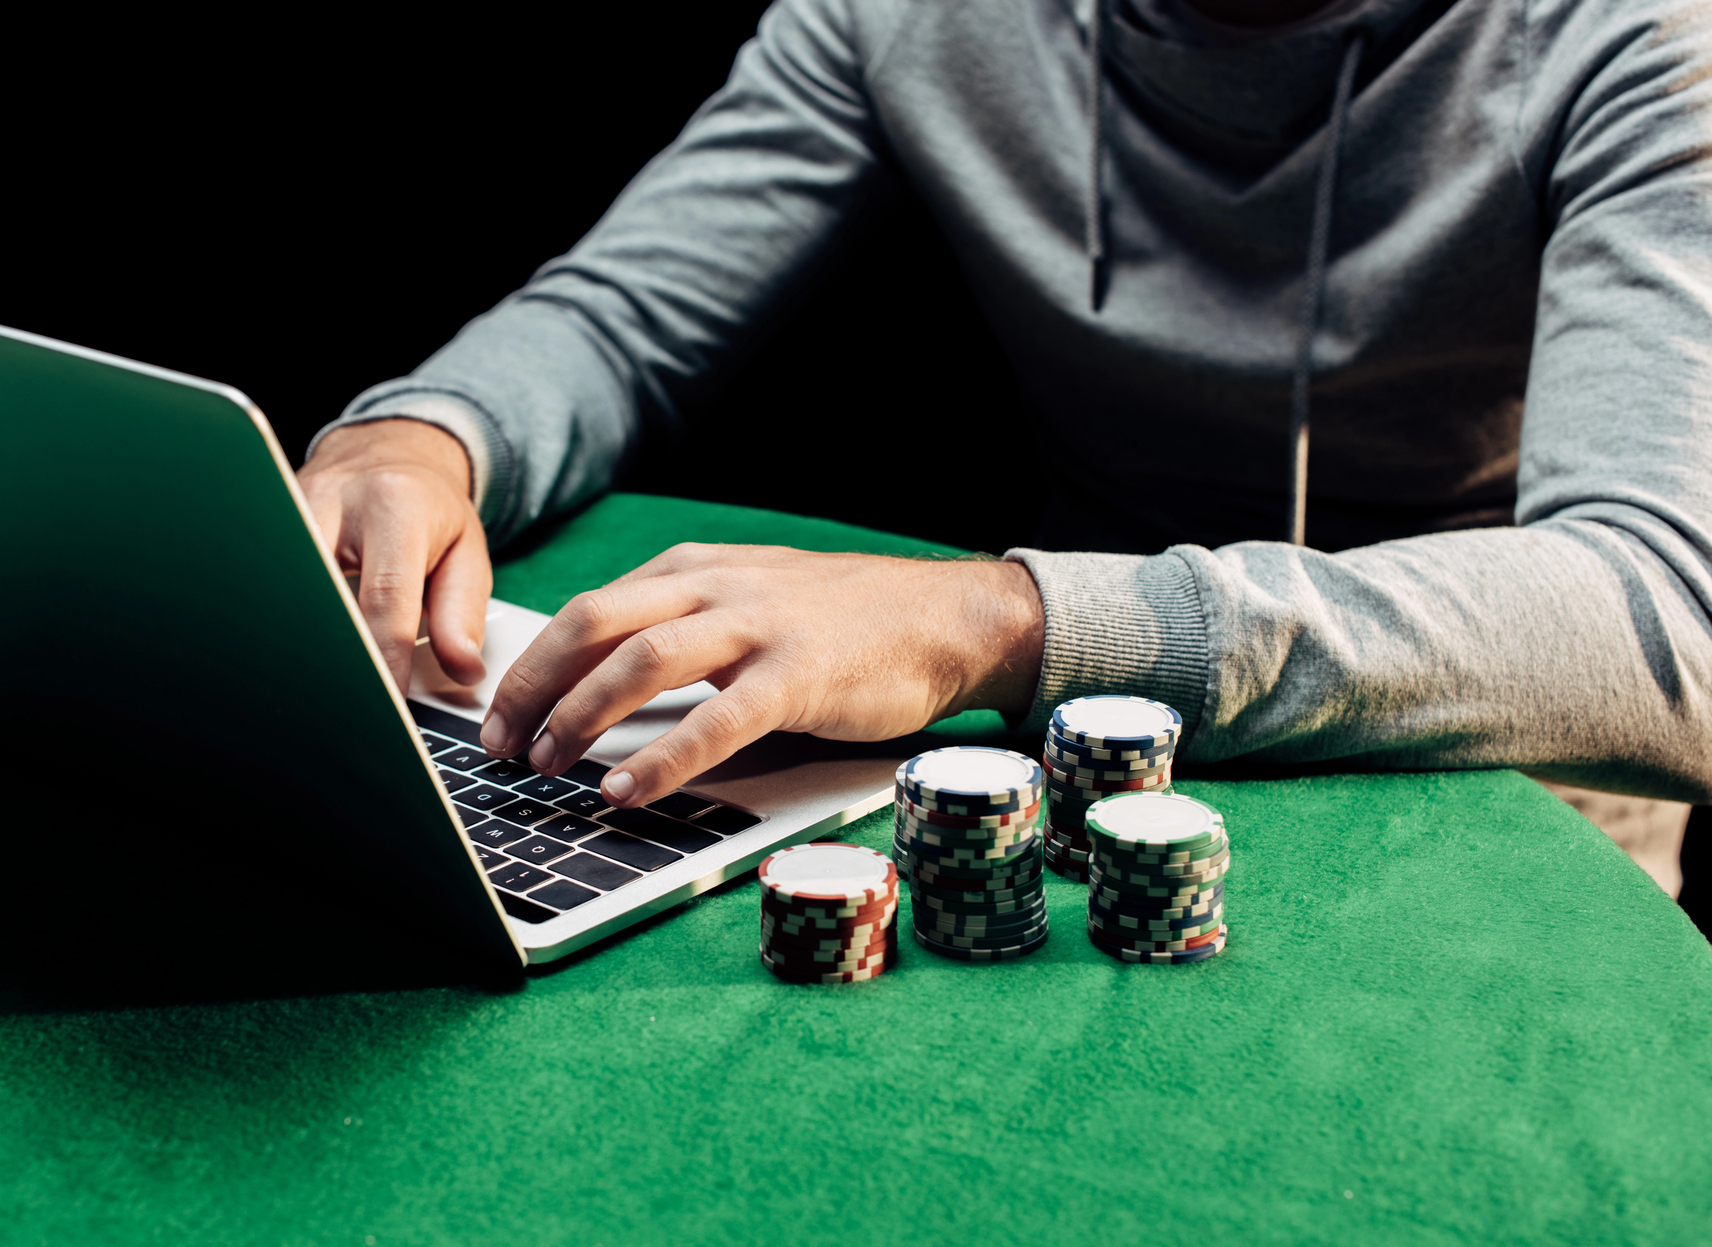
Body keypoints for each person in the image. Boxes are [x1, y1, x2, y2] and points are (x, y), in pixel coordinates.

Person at [297, 0, 1712, 836]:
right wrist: (426, 433)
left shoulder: (1648, 39)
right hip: (1048, 762)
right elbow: (621, 317)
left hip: (1495, 779)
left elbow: (1666, 622)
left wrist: (990, 622)